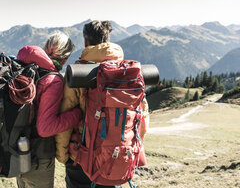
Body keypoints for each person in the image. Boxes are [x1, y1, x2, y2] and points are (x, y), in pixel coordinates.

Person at [55, 20, 149, 188]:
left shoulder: (79, 73)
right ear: (108, 39)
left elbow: (66, 118)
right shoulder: (129, 73)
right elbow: (142, 116)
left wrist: (63, 156)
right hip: (117, 157)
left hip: (81, 157)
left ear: (85, 41)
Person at [16, 32, 82, 188]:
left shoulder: (23, 69)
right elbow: (45, 128)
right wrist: (77, 114)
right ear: (63, 56)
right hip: (38, 158)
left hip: (17, 152)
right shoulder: (52, 80)